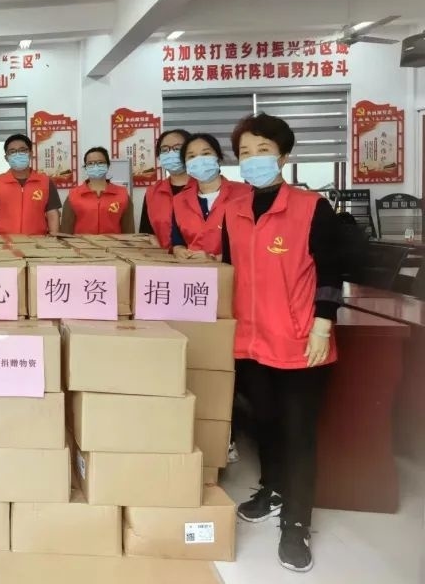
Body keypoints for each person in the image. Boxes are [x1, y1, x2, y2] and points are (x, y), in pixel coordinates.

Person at [223, 113, 340, 573]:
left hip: (299, 341)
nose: (253, 160)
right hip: (249, 340)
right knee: (265, 423)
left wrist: (322, 325)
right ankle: (272, 489)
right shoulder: (234, 209)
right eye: (245, 153)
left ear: (284, 156)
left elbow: (331, 272)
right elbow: (229, 268)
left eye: (263, 151)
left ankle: (296, 522)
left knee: (298, 433)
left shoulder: (311, 207)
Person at [170, 133, 252, 259]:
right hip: (193, 269)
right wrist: (179, 250)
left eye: (206, 153)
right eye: (191, 156)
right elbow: (177, 242)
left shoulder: (245, 193)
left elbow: (254, 243)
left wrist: (215, 258)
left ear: (218, 158)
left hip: (235, 269)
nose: (199, 160)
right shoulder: (179, 200)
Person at [0, 134, 61, 236]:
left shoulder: (46, 182)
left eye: (22, 150)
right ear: (6, 158)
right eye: (12, 152)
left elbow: (53, 215)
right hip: (4, 241)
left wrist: (54, 242)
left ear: (30, 154)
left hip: (37, 241)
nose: (18, 154)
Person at [60, 147, 135, 235]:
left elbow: (129, 232)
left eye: (100, 162)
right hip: (82, 244)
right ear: (85, 167)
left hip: (113, 244)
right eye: (90, 163)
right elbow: (65, 232)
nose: (95, 166)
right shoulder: (73, 195)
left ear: (108, 165)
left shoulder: (122, 195)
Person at [140, 129, 193, 248]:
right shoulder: (153, 192)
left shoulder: (204, 188)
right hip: (162, 257)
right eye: (164, 150)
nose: (171, 153)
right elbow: (146, 234)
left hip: (201, 257)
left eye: (177, 148)